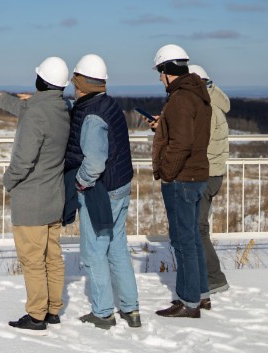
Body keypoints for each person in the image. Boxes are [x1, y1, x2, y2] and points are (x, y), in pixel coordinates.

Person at [0, 56, 71, 331]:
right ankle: (53, 310)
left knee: (32, 259)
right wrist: (4, 99)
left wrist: (8, 181)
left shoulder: (36, 112)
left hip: (31, 198)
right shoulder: (62, 108)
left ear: (40, 81)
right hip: (54, 197)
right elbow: (31, 110)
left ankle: (36, 315)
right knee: (51, 256)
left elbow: (23, 159)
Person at [62, 53, 141, 330]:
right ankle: (131, 309)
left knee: (94, 252)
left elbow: (94, 162)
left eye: (75, 80)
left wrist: (80, 182)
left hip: (101, 191)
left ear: (81, 82)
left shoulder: (92, 116)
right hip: (119, 186)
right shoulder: (107, 104)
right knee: (117, 247)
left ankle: (103, 312)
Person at [150, 44, 212, 319]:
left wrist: (167, 171)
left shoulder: (180, 99)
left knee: (183, 241)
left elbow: (182, 143)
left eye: (160, 72)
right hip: (197, 175)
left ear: (166, 70)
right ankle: (201, 295)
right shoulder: (198, 95)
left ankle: (188, 302)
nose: (159, 78)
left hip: (182, 179)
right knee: (193, 239)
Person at [189, 64, 231, 296]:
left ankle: (214, 278)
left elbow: (195, 142)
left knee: (198, 228)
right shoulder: (215, 105)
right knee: (199, 226)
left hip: (204, 175)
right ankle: (208, 276)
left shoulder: (206, 110)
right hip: (213, 174)